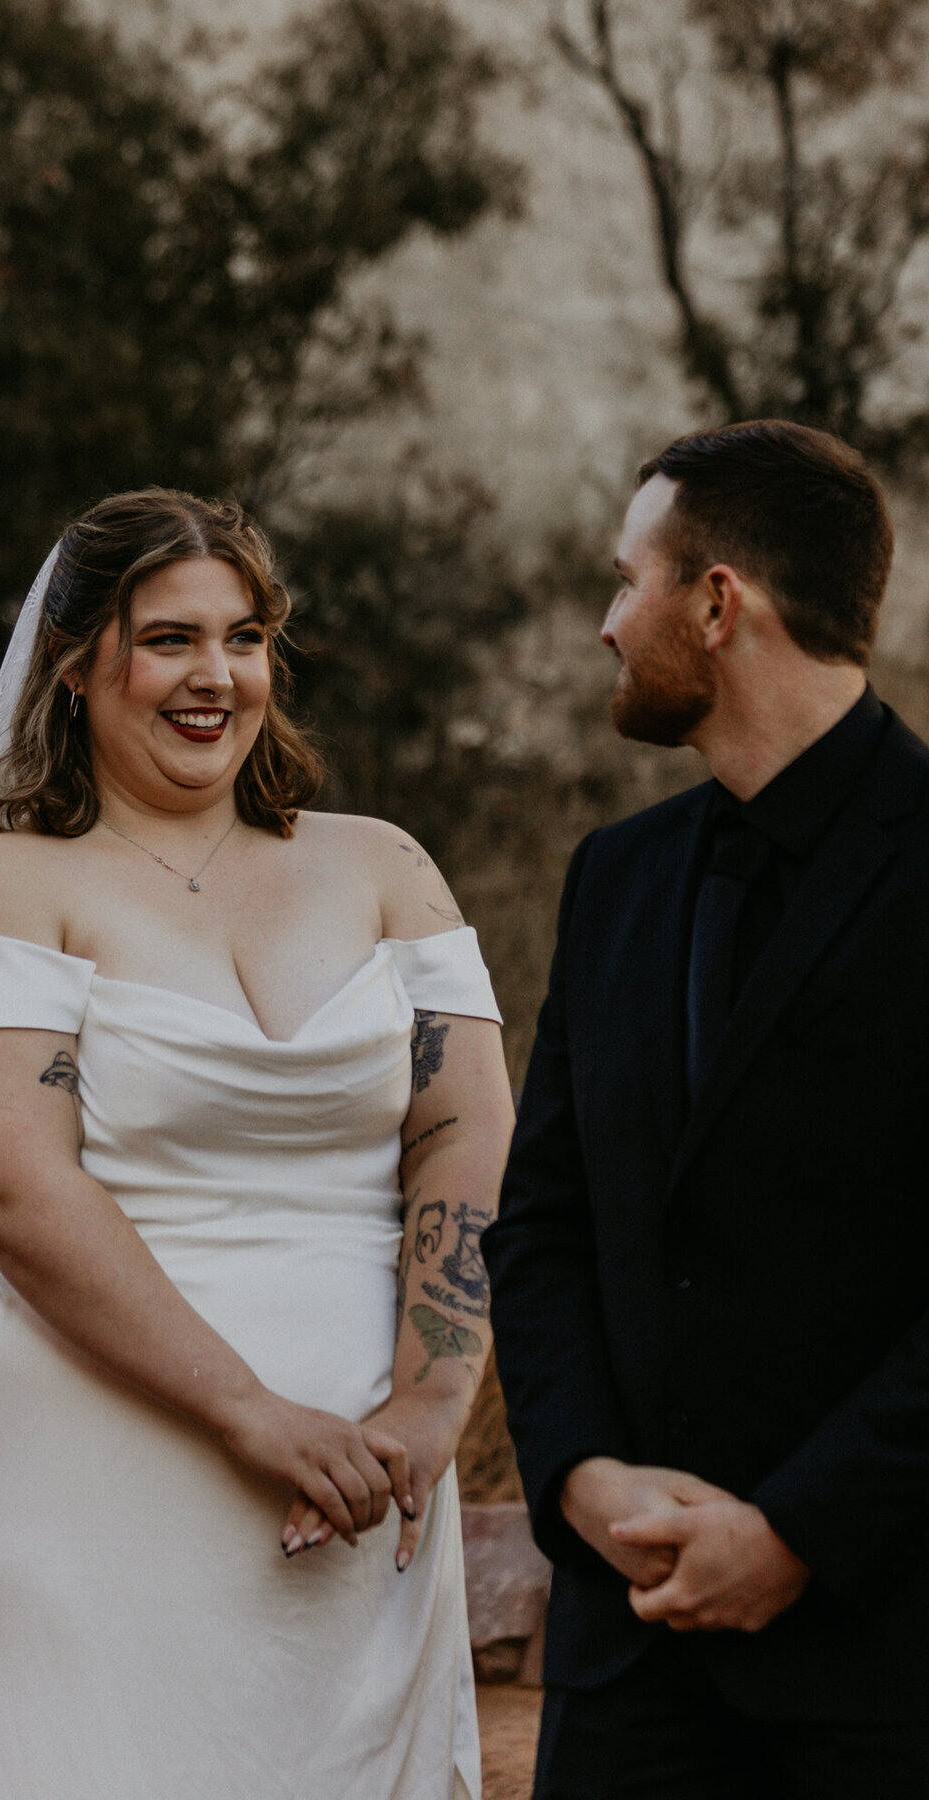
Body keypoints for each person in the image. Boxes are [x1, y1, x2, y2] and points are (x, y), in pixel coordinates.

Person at [0, 488, 513, 1800]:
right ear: (74, 663)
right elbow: (10, 1186)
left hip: (370, 1475)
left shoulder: (384, 864)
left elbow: (467, 1127)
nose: (214, 675)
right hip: (108, 1468)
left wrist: (432, 1401)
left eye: (245, 635)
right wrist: (247, 1412)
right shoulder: (5, 886)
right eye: (168, 638)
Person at [483, 420, 929, 1796]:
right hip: (631, 1667)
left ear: (718, 602)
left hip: (884, 1665)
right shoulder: (615, 877)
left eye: (630, 583)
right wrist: (579, 1479)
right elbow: (542, 1223)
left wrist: (797, 1529)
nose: (609, 625)